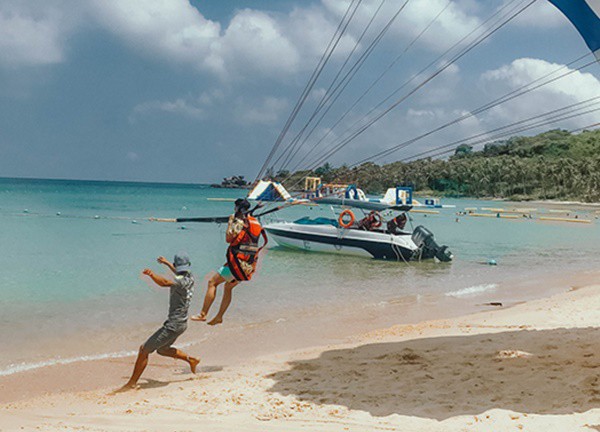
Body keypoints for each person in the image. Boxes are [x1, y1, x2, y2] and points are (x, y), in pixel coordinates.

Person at [118, 254, 199, 392]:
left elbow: (164, 283)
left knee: (144, 350)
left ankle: (132, 383)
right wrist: (167, 263)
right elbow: (178, 271)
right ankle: (191, 360)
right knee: (162, 349)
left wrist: (151, 274)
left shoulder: (179, 282)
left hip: (173, 325)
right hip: (182, 324)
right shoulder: (190, 277)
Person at [191, 198, 267, 326]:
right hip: (248, 265)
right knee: (228, 287)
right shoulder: (255, 222)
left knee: (212, 283)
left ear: (237, 208)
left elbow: (228, 238)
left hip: (236, 265)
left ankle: (203, 314)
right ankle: (219, 317)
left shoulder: (239, 222)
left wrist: (230, 222)